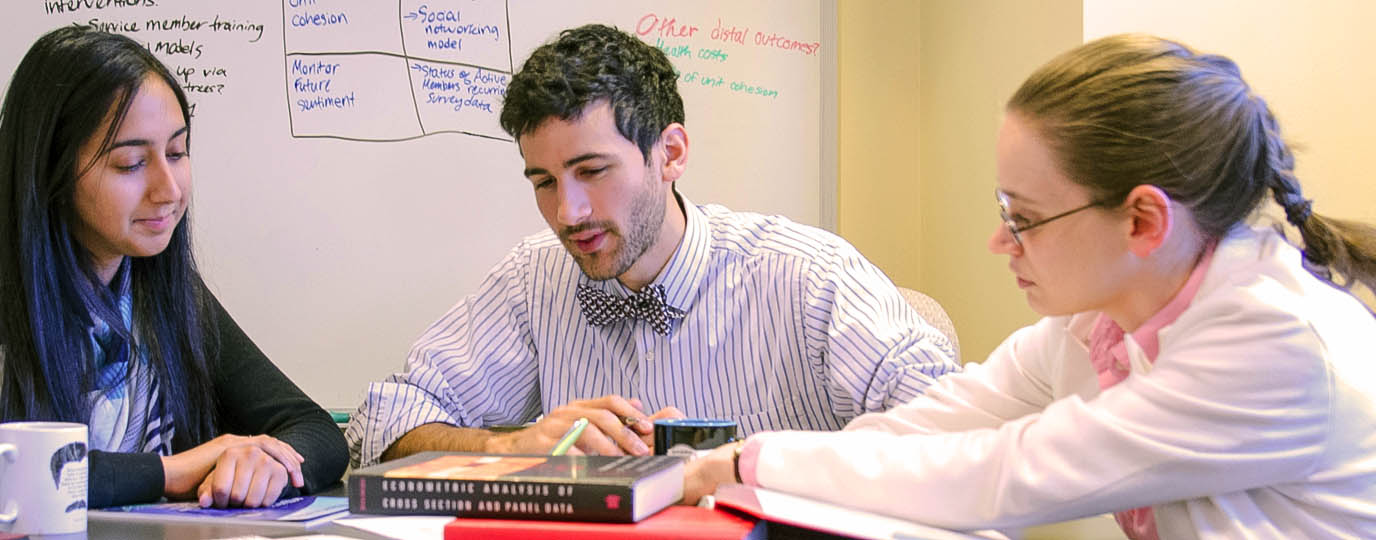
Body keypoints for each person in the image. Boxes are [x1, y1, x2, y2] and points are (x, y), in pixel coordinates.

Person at [680, 34, 1376, 538]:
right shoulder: (1099, 322)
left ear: (1144, 220)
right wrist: (747, 460)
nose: (998, 242)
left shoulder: (1276, 340)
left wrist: (751, 464)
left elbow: (1008, 475)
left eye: (1023, 217)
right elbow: (936, 427)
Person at [346, 24, 959, 467]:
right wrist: (511, 444)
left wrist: (745, 462)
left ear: (670, 154)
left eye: (592, 171)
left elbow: (950, 425)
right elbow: (380, 423)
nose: (568, 212)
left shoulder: (808, 277)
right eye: (544, 182)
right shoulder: (534, 280)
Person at [0, 26, 346, 539]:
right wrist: (166, 472)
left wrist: (266, 465)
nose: (168, 188)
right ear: (50, 171)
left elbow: (314, 431)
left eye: (178, 153)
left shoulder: (158, 284)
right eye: (131, 163)